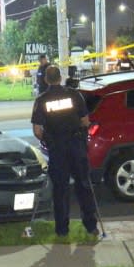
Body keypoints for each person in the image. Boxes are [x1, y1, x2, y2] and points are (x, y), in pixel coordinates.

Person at [31, 65, 99, 238]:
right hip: (76, 145)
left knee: (60, 189)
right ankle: (91, 225)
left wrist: (49, 141)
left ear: (46, 79)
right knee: (83, 185)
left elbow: (38, 131)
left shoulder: (42, 100)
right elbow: (85, 120)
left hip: (58, 149)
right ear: (60, 78)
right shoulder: (74, 95)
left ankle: (62, 229)